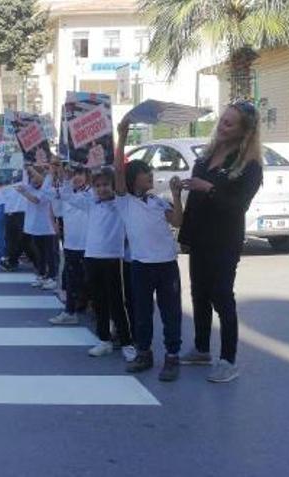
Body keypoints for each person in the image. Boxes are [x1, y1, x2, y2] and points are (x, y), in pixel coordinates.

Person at [178, 101, 264, 383]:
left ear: (244, 131)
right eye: (222, 120)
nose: (222, 126)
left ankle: (228, 360)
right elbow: (195, 199)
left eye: (230, 123)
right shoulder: (207, 155)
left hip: (224, 240)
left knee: (222, 297)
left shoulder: (249, 165)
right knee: (199, 294)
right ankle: (202, 349)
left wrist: (210, 188)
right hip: (200, 236)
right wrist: (186, 234)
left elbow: (238, 205)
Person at [113, 122, 185, 381]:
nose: (150, 175)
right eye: (145, 172)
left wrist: (176, 195)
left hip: (167, 265)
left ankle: (172, 356)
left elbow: (176, 221)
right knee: (142, 312)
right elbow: (118, 170)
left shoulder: (158, 201)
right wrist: (121, 136)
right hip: (141, 265)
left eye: (150, 171)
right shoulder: (125, 202)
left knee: (171, 312)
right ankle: (144, 353)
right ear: (133, 180)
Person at [62, 167, 134, 361]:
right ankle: (104, 340)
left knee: (117, 302)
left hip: (113, 258)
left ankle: (127, 342)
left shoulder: (121, 204)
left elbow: (121, 188)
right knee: (99, 302)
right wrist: (67, 178)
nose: (102, 189)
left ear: (113, 186)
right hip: (92, 257)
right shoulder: (91, 203)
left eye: (106, 185)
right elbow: (66, 195)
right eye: (98, 185)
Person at [50, 166, 90, 326]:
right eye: (73, 175)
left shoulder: (90, 194)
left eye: (79, 174)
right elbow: (57, 209)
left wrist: (64, 183)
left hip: (88, 245)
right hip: (71, 244)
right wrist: (55, 180)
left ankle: (84, 307)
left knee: (88, 280)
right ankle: (70, 311)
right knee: (72, 279)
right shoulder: (67, 194)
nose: (76, 178)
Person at [15, 166, 58, 290]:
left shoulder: (48, 189)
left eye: (35, 176)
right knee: (39, 253)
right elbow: (19, 185)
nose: (34, 179)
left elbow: (36, 200)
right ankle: (41, 274)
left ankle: (52, 277)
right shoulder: (30, 187)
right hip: (35, 228)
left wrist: (24, 192)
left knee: (50, 253)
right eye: (32, 177)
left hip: (47, 227)